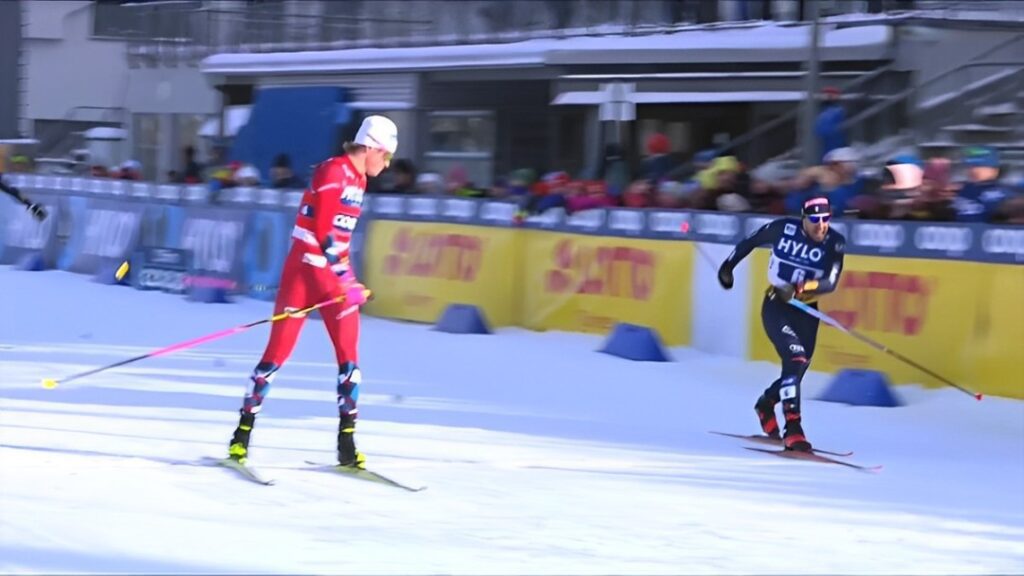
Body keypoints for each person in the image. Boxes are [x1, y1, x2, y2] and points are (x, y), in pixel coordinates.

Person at [227, 115, 398, 469]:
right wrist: (346, 282)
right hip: (304, 276)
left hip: (334, 278)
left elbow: (340, 240)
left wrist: (345, 280)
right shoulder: (334, 171)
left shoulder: (359, 179)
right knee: (275, 355)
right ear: (371, 147)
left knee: (350, 361)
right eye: (387, 155)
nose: (387, 164)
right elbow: (323, 233)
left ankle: (346, 444)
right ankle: (241, 435)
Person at [716, 196, 846, 452]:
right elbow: (750, 241)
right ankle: (793, 428)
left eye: (826, 219)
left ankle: (766, 403)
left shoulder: (835, 242)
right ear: (803, 218)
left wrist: (800, 288)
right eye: (815, 220)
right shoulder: (783, 229)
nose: (821, 226)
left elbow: (830, 282)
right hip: (777, 306)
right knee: (795, 359)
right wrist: (727, 267)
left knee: (798, 370)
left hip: (806, 309)